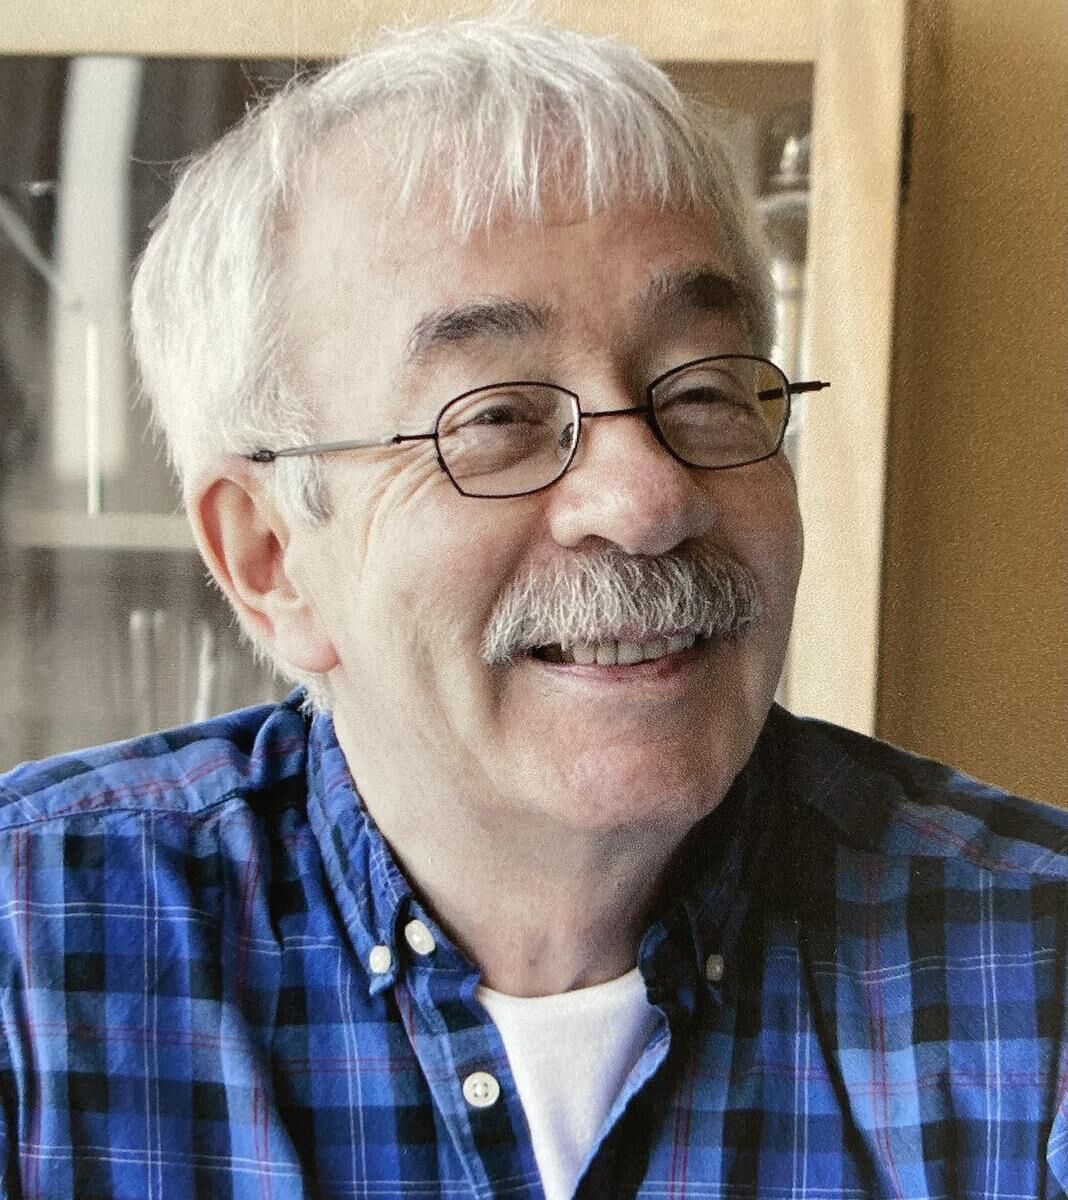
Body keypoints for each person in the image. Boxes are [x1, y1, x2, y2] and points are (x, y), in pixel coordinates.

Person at [0, 16, 1065, 1200]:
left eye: (703, 390)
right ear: (271, 559)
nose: (647, 499)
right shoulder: (29, 953)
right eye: (497, 418)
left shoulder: (1033, 974)